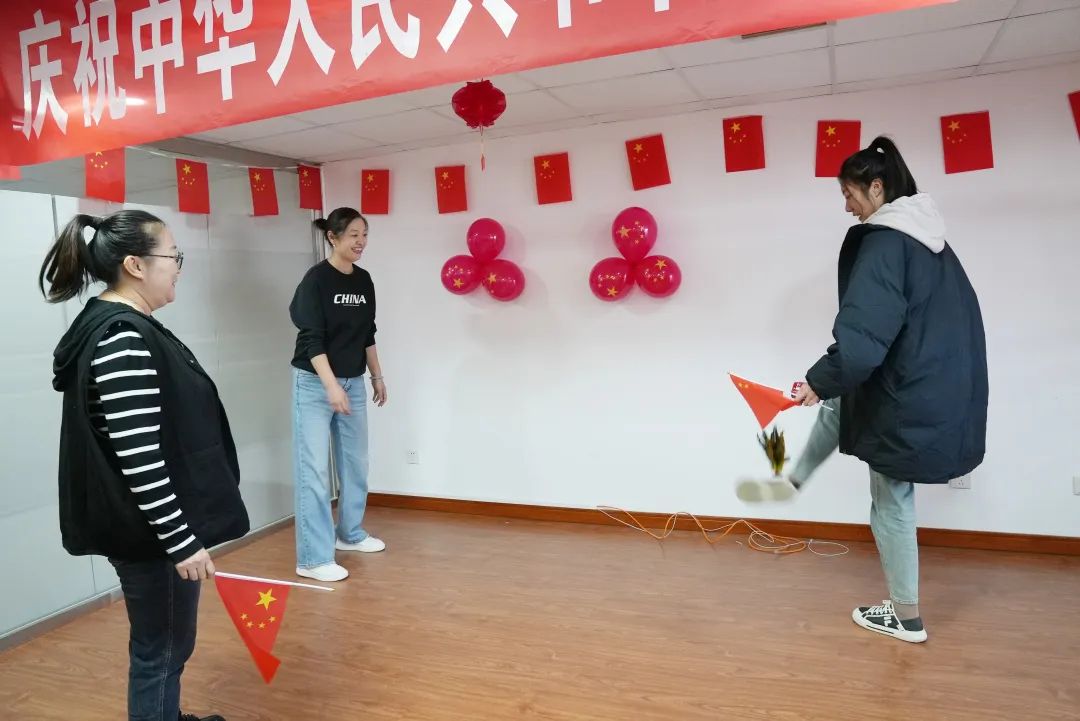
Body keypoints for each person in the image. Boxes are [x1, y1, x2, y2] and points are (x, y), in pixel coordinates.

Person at [737, 136, 988, 644]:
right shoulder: (931, 243)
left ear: (877, 187)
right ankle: (794, 479)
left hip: (906, 392)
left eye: (849, 195)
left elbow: (863, 338)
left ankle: (906, 617)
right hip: (936, 383)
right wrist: (825, 383)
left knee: (890, 499)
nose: (847, 207)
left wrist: (816, 380)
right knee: (840, 402)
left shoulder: (885, 243)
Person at [42, 210, 249, 720]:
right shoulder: (122, 337)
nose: (178, 266)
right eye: (173, 256)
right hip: (151, 537)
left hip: (149, 530)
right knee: (162, 649)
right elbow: (138, 457)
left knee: (165, 644)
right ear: (135, 265)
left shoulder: (121, 326)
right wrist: (180, 541)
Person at [290, 207, 388, 583]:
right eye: (353, 235)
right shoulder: (316, 280)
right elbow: (311, 339)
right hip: (314, 383)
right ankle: (313, 559)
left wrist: (376, 376)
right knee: (314, 471)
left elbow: (367, 332)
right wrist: (331, 385)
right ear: (332, 237)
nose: (361, 242)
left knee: (355, 463)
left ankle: (350, 534)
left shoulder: (363, 280)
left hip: (353, 381)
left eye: (364, 235)